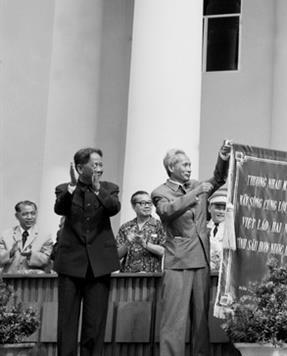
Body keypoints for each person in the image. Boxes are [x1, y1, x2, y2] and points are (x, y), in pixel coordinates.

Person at [152, 142, 231, 356]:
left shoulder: (197, 185)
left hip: (201, 259)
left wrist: (222, 158)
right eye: (185, 165)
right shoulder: (161, 192)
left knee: (200, 322)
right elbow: (167, 211)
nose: (189, 168)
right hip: (178, 262)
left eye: (190, 165)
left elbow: (218, 179)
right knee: (174, 322)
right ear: (171, 168)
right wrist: (195, 193)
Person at [54, 147, 121, 356]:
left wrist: (98, 188)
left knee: (95, 323)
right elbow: (60, 208)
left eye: (101, 164)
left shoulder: (109, 188)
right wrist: (73, 188)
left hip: (99, 264)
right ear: (80, 167)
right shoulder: (64, 189)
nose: (99, 169)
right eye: (95, 165)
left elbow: (113, 208)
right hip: (70, 263)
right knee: (67, 322)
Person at [116, 190, 166, 273]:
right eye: (142, 203)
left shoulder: (159, 225)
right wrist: (127, 243)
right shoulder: (125, 227)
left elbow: (163, 251)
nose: (147, 206)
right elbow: (116, 256)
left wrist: (145, 244)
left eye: (149, 203)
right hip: (128, 277)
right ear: (133, 206)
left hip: (151, 276)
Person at [0, 200, 54, 274]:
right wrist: (11, 253)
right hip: (9, 280)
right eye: (25, 214)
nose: (29, 217)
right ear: (17, 216)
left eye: (33, 213)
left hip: (34, 281)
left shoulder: (45, 236)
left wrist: (30, 255)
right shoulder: (5, 235)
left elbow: (46, 260)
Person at [207, 186, 227, 273]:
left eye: (224, 208)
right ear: (209, 208)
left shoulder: (231, 230)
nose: (221, 212)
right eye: (218, 207)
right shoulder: (203, 229)